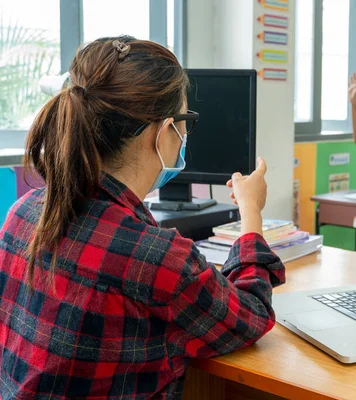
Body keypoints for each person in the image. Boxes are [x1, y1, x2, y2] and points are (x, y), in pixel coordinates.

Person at [0, 36, 285, 399]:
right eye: (185, 122)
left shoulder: (23, 214)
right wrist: (251, 213)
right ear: (165, 131)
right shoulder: (158, 259)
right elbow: (251, 316)